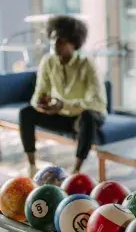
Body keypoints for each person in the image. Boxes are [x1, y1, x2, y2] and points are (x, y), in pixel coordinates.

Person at [19, 15, 107, 175]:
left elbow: (96, 102)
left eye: (60, 40)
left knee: (88, 116)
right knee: (26, 112)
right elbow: (37, 94)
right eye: (52, 39)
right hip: (61, 115)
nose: (54, 44)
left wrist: (63, 104)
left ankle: (76, 170)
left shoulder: (87, 64)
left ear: (74, 42)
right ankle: (31, 166)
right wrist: (40, 103)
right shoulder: (48, 61)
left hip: (85, 117)